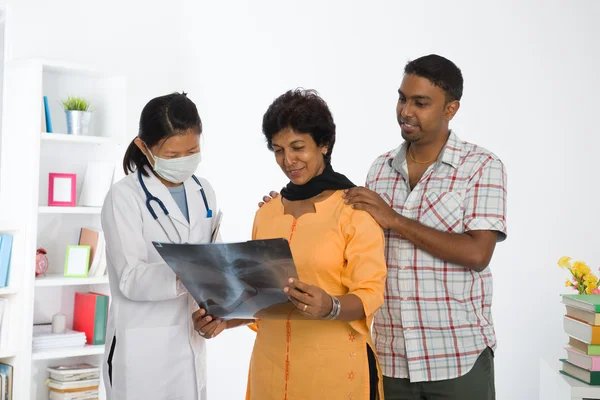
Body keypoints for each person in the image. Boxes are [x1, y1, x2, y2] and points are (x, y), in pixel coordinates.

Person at [261, 55, 507, 399]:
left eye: (420, 102)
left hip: (456, 355)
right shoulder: (380, 170)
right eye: (402, 98)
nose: (406, 110)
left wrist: (394, 219)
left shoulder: (481, 167)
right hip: (391, 359)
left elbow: (478, 253)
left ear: (450, 109)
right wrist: (287, 204)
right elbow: (347, 241)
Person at [193, 89, 388, 400]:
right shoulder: (267, 213)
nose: (288, 160)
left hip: (333, 372)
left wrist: (330, 306)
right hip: (270, 371)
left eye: (298, 147)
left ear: (324, 144)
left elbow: (370, 293)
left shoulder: (354, 210)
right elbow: (262, 300)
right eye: (278, 150)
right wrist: (222, 317)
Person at [101, 92, 217, 400]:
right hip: (142, 350)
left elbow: (212, 263)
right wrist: (185, 276)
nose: (184, 161)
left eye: (192, 151)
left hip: (191, 341)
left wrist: (217, 308)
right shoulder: (124, 197)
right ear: (144, 147)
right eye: (173, 155)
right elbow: (129, 278)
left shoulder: (204, 192)